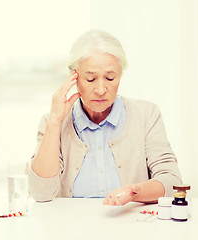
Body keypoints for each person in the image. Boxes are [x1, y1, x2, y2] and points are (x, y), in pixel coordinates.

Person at [27, 29, 182, 206]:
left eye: (110, 78)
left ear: (120, 75)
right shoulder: (51, 122)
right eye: (91, 79)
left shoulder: (146, 114)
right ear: (73, 77)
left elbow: (171, 181)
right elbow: (40, 193)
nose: (101, 90)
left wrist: (134, 192)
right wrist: (55, 121)